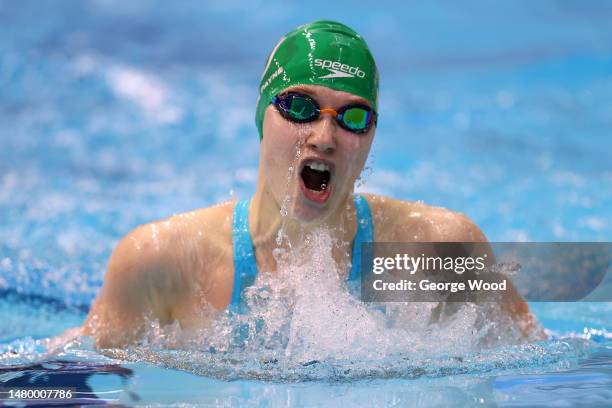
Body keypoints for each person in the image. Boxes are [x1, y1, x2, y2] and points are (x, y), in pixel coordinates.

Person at [81, 20, 543, 348]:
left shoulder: (440, 250)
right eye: (300, 107)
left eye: (353, 117)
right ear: (262, 116)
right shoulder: (159, 262)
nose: (324, 138)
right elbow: (79, 383)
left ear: (371, 136)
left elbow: (546, 370)